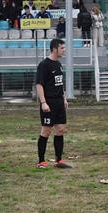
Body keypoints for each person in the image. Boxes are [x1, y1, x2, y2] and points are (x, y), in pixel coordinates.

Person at [35, 39, 72, 169]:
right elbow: (39, 85)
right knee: (46, 131)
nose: (64, 50)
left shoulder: (58, 64)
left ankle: (59, 160)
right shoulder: (44, 65)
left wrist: (64, 99)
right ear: (55, 49)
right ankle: (41, 161)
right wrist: (43, 102)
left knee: (61, 129)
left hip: (59, 103)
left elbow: (60, 83)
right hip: (48, 102)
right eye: (62, 48)